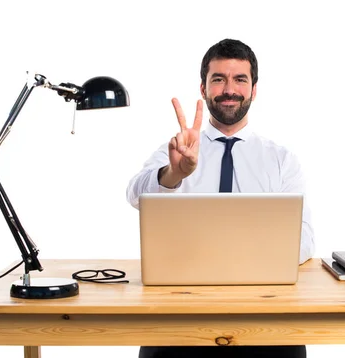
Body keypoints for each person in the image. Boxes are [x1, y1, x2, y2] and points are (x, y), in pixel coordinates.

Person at [126, 38, 314, 358]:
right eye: (219, 79)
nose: (230, 89)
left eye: (240, 79)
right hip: (181, 310)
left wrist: (240, 259)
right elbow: (135, 194)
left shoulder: (281, 159)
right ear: (203, 88)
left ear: (254, 89)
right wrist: (175, 173)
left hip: (263, 313)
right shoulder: (180, 148)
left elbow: (305, 240)